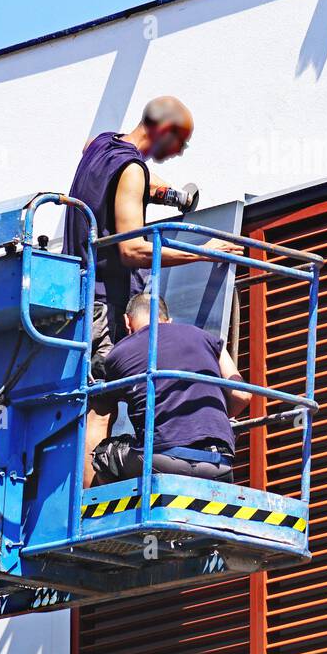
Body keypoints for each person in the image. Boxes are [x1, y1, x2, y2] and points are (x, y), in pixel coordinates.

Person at [62, 95, 240, 485]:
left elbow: (100, 153)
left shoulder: (102, 145)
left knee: (106, 398)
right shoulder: (132, 169)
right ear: (162, 130)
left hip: (78, 294)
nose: (180, 152)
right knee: (103, 407)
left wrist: (168, 195)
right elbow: (131, 249)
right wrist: (201, 255)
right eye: (180, 142)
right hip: (107, 303)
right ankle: (87, 503)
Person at [91, 292, 249, 484]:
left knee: (103, 456)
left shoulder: (118, 354)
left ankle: (94, 510)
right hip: (220, 464)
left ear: (127, 321)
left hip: (162, 460)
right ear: (169, 320)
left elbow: (102, 415)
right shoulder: (209, 339)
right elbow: (242, 396)